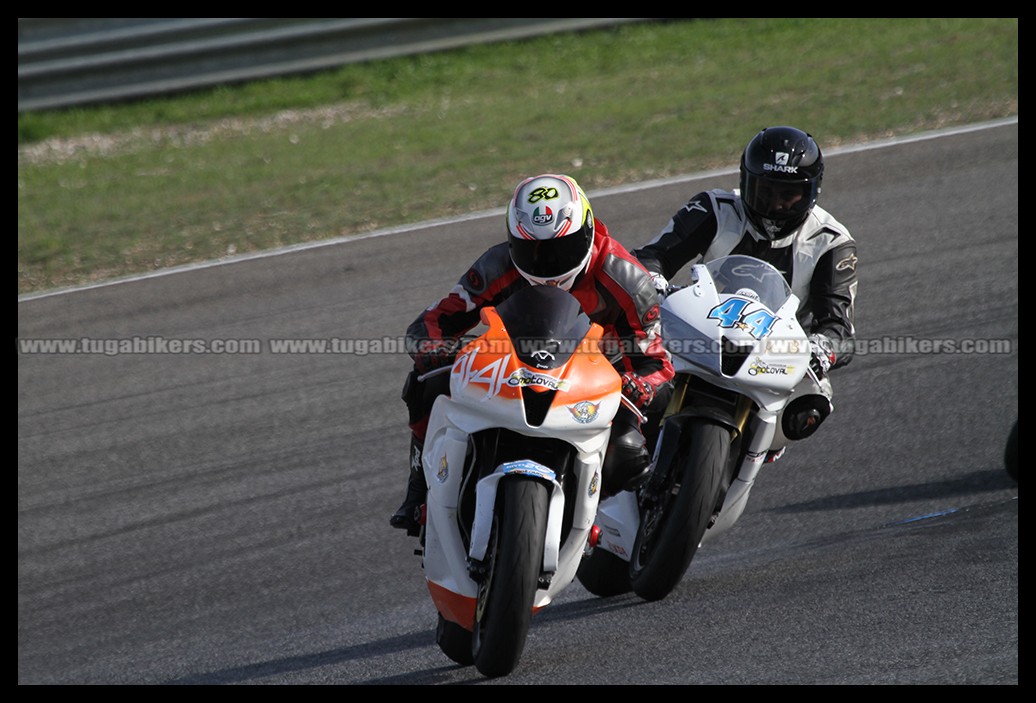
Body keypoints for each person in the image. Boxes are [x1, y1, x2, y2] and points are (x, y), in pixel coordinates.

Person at [390, 174, 675, 532]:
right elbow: (434, 320)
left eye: (562, 250)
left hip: (591, 383)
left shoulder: (626, 279)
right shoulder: (499, 264)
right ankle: (418, 489)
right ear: (514, 242)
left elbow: (657, 361)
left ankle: (588, 513)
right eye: (533, 252)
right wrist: (436, 350)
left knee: (631, 452)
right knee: (426, 380)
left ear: (587, 232)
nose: (548, 266)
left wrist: (640, 385)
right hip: (511, 367)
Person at [633, 126, 858, 452]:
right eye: (765, 191)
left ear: (812, 191)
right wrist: (654, 282)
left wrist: (822, 349)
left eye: (788, 195)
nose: (775, 205)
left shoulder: (831, 242)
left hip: (775, 355)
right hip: (699, 332)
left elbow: (839, 327)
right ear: (744, 181)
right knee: (630, 361)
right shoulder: (714, 207)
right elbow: (652, 256)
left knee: (807, 410)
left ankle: (742, 461)